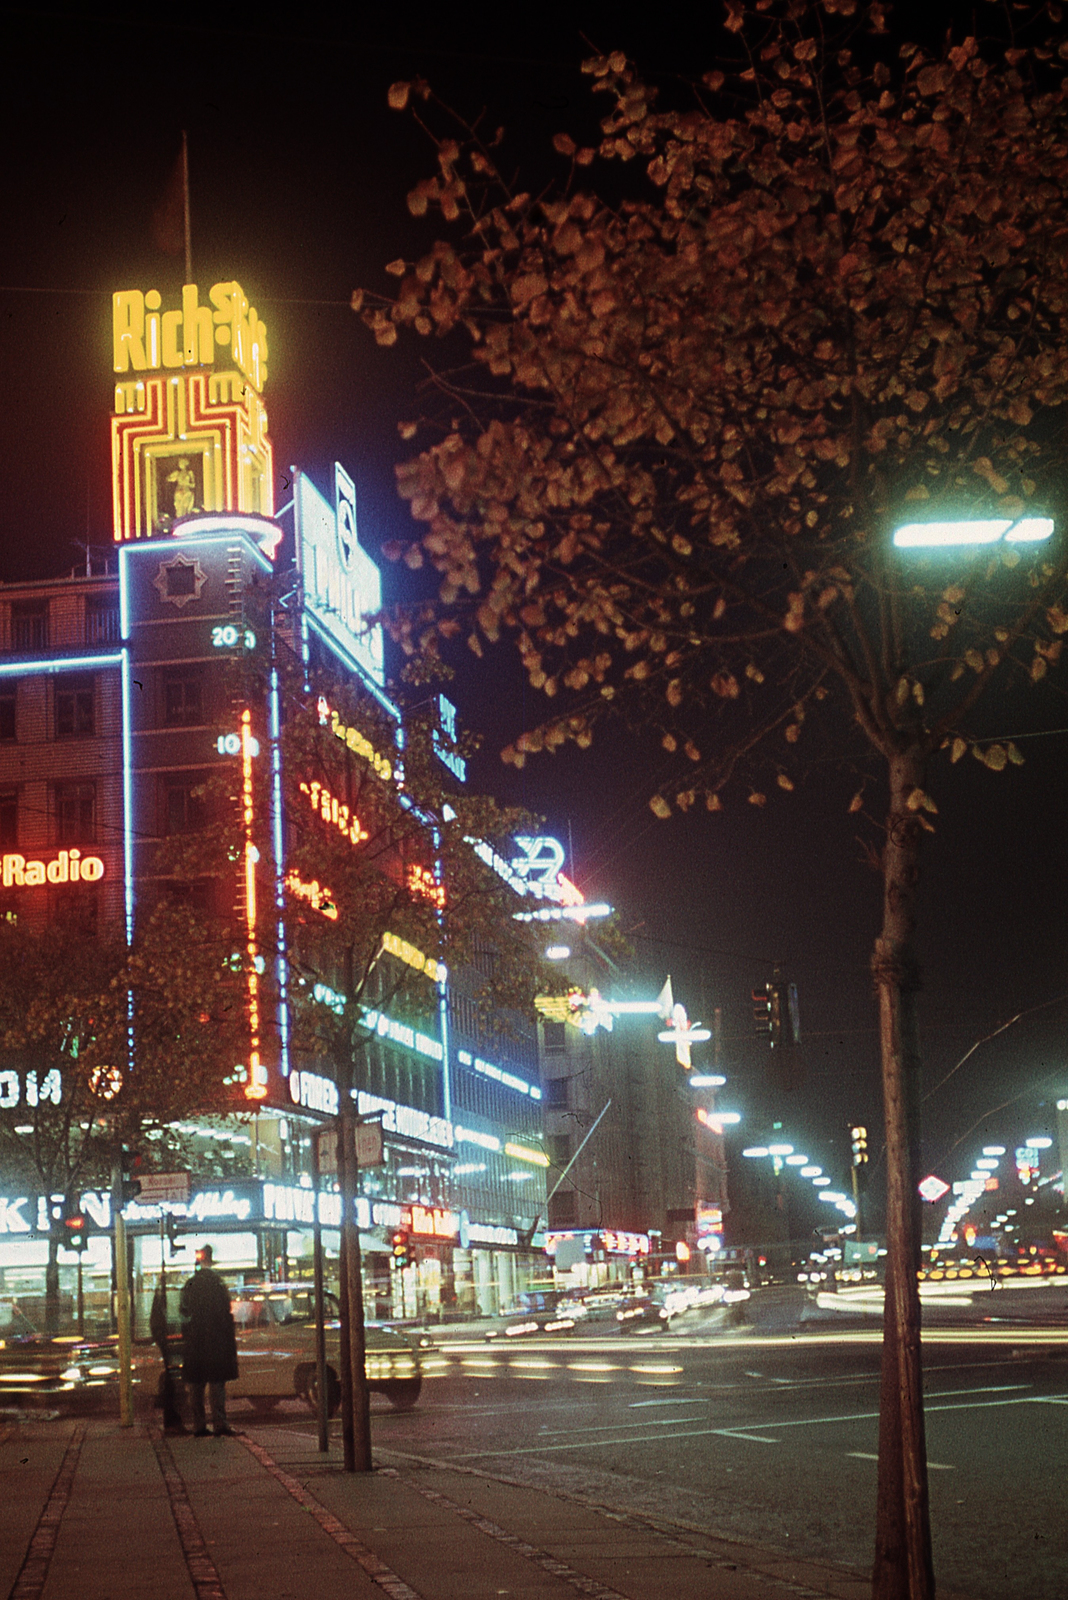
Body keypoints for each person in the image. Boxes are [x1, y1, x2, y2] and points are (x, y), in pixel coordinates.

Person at [178, 1245, 238, 1436]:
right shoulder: (218, 1284)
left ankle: (199, 1425)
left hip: (196, 1342)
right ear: (211, 1260)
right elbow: (227, 1313)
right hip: (216, 1342)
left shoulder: (190, 1285)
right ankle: (220, 1424)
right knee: (216, 1384)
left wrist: (188, 1334)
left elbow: (183, 1312)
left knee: (196, 1385)